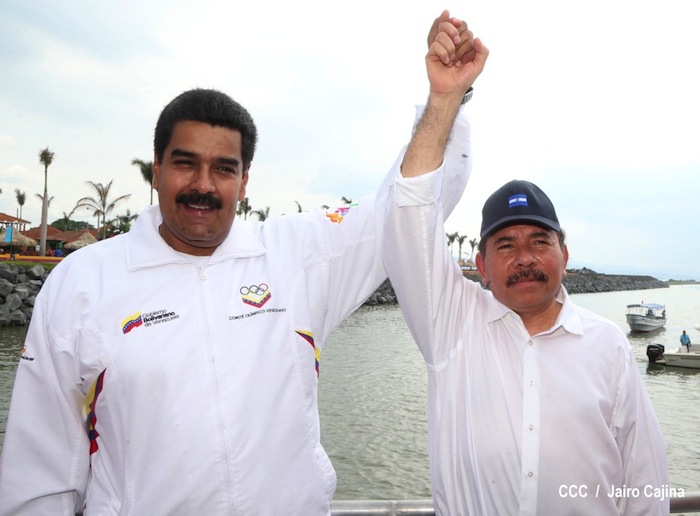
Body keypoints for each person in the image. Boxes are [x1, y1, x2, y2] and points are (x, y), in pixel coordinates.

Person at [0, 12, 475, 516]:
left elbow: (409, 210)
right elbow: (41, 470)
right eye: (185, 163)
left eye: (224, 168)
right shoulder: (81, 283)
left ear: (244, 181)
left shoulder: (299, 255)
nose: (203, 185)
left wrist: (445, 100)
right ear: (156, 170)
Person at [383, 42, 669, 516]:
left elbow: (644, 478)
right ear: (481, 266)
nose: (525, 259)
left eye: (539, 241)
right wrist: (444, 100)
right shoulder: (450, 325)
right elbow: (409, 214)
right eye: (505, 245)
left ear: (564, 255)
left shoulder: (608, 345)